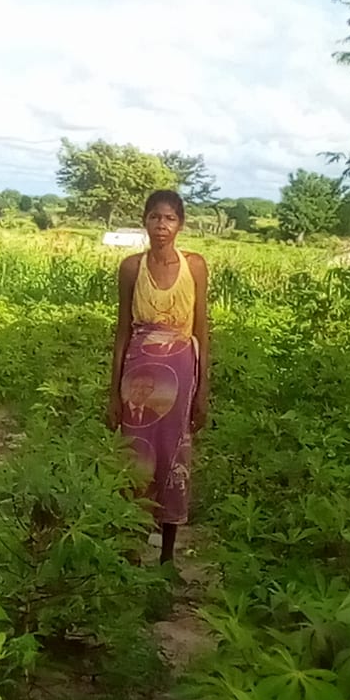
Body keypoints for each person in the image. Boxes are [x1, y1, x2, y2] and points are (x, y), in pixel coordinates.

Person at [106, 190, 209, 565]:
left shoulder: (194, 266)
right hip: (137, 379)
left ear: (180, 224)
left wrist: (202, 391)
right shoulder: (132, 267)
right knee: (135, 460)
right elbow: (121, 331)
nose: (161, 225)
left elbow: (201, 329)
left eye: (168, 218)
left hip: (181, 379)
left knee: (173, 457)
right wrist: (113, 394)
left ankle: (167, 556)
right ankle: (131, 549)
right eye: (154, 217)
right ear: (144, 221)